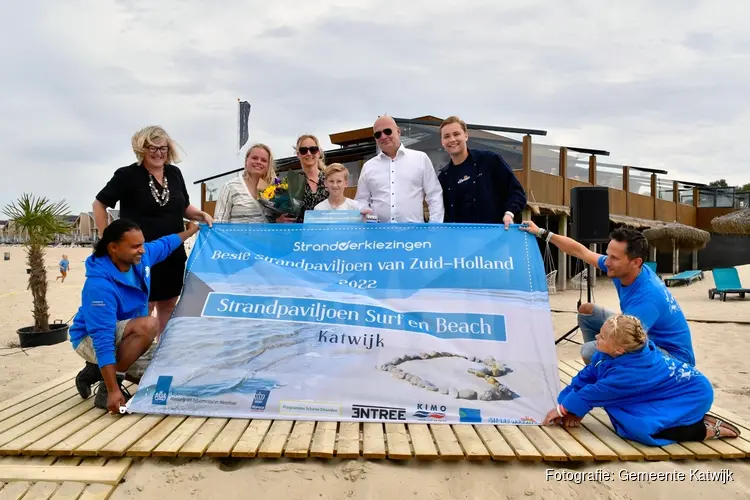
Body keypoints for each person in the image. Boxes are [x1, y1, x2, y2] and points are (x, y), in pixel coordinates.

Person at [543, 314, 739, 445]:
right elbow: (585, 378)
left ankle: (702, 429)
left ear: (619, 349)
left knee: (639, 428)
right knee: (622, 412)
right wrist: (565, 403)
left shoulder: (629, 373)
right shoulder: (610, 354)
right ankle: (685, 418)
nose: (596, 337)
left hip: (693, 393)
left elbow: (594, 392)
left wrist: (563, 410)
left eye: (602, 337)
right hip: (667, 391)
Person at [70, 218, 201, 414]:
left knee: (172, 375)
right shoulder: (99, 286)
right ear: (113, 247)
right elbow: (103, 339)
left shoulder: (141, 259)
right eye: (135, 246)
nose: (142, 250)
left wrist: (190, 232)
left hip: (129, 335)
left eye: (142, 244)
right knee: (149, 325)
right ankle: (107, 388)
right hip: (90, 338)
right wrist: (114, 390)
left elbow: (165, 244)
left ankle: (97, 370)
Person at [520, 221, 695, 366]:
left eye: (614, 258)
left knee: (589, 351)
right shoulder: (625, 270)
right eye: (608, 255)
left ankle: (607, 373)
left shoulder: (648, 298)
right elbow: (581, 251)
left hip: (672, 358)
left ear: (636, 262)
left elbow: (629, 341)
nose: (607, 262)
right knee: (587, 311)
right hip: (643, 333)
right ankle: (602, 368)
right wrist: (542, 232)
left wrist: (602, 345)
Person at [92, 126, 213, 334]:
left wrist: (201, 215)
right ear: (142, 149)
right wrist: (107, 239)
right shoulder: (127, 175)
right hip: (139, 255)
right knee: (142, 307)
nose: (158, 153)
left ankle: (162, 354)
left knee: (168, 304)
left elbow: (183, 207)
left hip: (172, 253)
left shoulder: (174, 173)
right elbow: (99, 204)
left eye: (163, 148)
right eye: (152, 148)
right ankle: (140, 356)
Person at [437, 116, 527, 229]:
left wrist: (509, 213)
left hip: (495, 234)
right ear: (442, 142)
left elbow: (517, 192)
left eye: (456, 134)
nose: (452, 139)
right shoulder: (444, 177)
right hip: (460, 239)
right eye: (446, 136)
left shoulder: (490, 160)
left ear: (466, 135)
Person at [355, 115, 444, 223]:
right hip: (379, 235)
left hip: (413, 235)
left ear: (398, 131)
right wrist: (365, 212)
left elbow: (434, 195)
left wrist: (434, 226)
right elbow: (361, 200)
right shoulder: (368, 166)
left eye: (387, 131)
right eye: (378, 134)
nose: (383, 136)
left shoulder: (421, 159)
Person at [214, 144, 276, 223]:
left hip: (266, 235)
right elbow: (220, 222)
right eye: (254, 158)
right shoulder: (230, 187)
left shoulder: (272, 190)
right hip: (236, 235)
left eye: (264, 160)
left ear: (268, 165)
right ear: (246, 160)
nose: (258, 162)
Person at [282, 134, 329, 222]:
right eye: (303, 150)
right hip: (300, 233)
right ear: (298, 154)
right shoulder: (291, 182)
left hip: (326, 232)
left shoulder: (330, 178)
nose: (308, 153)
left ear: (318, 153)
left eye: (313, 149)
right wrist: (279, 219)